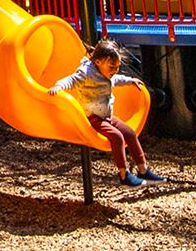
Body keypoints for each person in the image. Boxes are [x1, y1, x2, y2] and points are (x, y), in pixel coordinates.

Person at [53, 42, 161, 186]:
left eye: (117, 67)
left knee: (129, 133)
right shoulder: (86, 73)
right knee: (117, 137)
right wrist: (59, 86)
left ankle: (143, 170)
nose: (115, 70)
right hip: (93, 118)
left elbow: (115, 79)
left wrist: (130, 80)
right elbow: (71, 80)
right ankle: (124, 175)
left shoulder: (106, 73)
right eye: (112, 67)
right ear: (98, 61)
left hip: (106, 116)